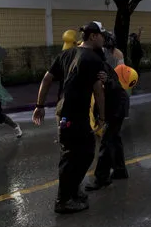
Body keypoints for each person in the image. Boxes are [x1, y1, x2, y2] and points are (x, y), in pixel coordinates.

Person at [33, 22, 106, 214]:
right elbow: (98, 91)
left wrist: (40, 105)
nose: (103, 39)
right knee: (72, 156)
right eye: (101, 35)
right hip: (73, 113)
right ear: (92, 36)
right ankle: (63, 200)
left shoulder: (65, 55)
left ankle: (73, 190)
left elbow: (47, 79)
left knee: (85, 151)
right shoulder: (92, 58)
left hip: (68, 113)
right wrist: (102, 117)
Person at [86, 48, 130, 190]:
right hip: (117, 105)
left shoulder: (99, 68)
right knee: (114, 139)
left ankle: (102, 178)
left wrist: (101, 117)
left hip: (116, 107)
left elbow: (104, 92)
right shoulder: (100, 66)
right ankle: (120, 170)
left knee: (107, 141)